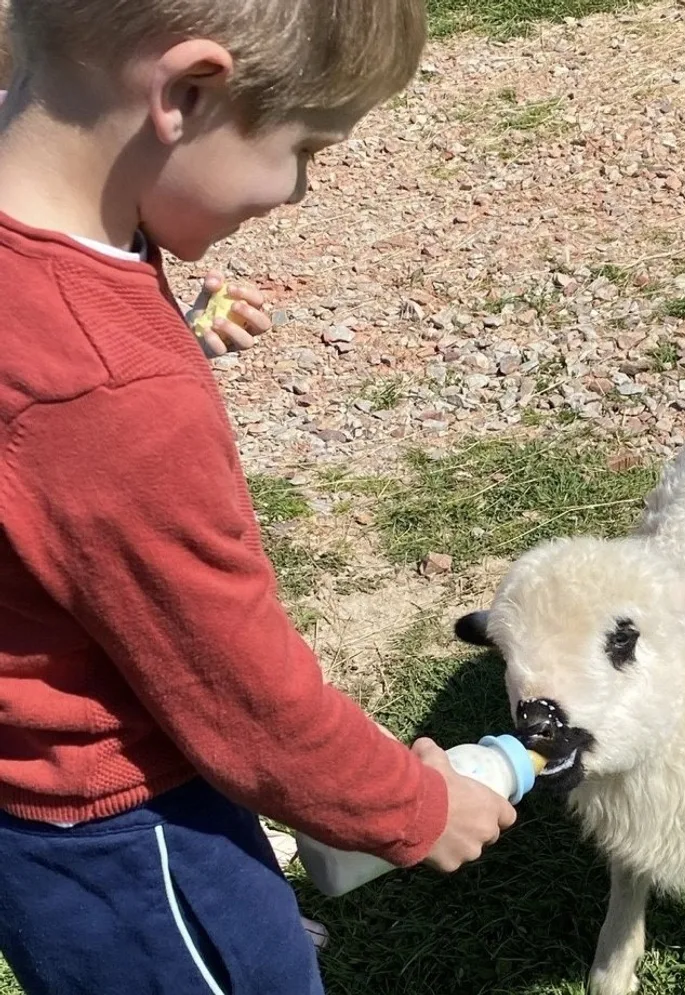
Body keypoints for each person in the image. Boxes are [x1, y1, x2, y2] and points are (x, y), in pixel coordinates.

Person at [0, 2, 517, 993]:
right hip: (131, 837)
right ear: (188, 92)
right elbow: (237, 691)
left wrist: (151, 348)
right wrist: (412, 806)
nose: (299, 189)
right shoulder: (106, 399)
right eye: (306, 148)